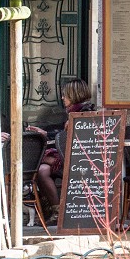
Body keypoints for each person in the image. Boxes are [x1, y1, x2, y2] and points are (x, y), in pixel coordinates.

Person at [31, 80, 96, 218]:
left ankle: (53, 209)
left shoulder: (83, 114)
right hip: (68, 156)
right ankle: (57, 209)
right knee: (42, 169)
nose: (62, 98)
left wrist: (47, 136)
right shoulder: (74, 112)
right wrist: (46, 134)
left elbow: (70, 139)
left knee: (39, 161)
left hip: (79, 160)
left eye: (65, 95)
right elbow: (64, 135)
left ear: (74, 95)